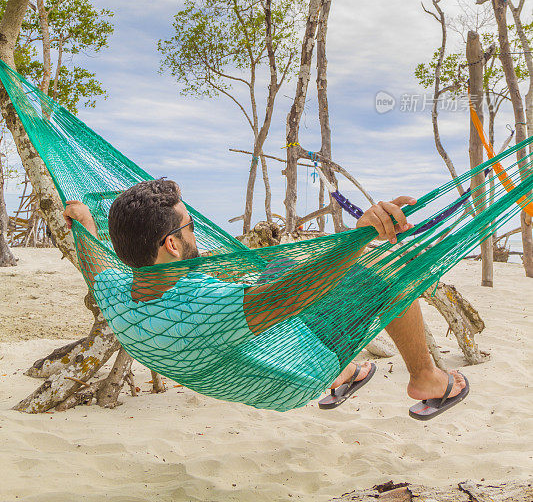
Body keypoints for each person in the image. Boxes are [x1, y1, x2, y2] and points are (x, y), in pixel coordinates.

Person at [64, 178, 469, 418]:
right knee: (394, 282)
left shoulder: (114, 292)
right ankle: (426, 379)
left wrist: (84, 223)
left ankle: (345, 375)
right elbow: (292, 296)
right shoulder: (208, 308)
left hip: (233, 359)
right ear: (171, 243)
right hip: (297, 376)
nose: (194, 231)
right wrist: (359, 238)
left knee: (270, 270)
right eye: (189, 225)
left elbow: (92, 262)